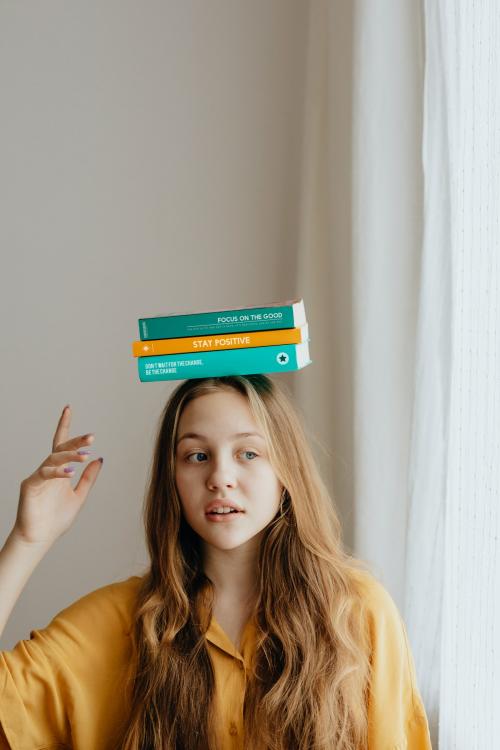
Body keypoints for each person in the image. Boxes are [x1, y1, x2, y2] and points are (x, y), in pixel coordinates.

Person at [0, 374, 432, 749]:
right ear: (174, 479)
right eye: (197, 456)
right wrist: (27, 540)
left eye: (248, 453)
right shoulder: (120, 619)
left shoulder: (358, 610)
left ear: (287, 474)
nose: (220, 478)